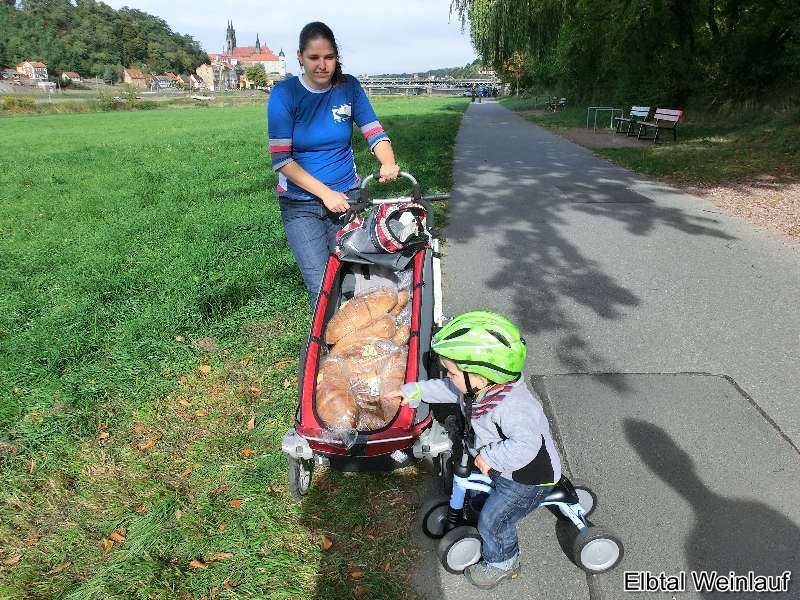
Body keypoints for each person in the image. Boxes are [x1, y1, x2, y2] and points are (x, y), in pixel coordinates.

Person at [392, 311, 562, 590]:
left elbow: (526, 445)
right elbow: (449, 390)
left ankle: (504, 562)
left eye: (452, 372)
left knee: (493, 521)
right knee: (478, 490)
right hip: (500, 463)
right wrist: (414, 392)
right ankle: (477, 507)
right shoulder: (478, 389)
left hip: (526, 477)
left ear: (480, 377)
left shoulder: (515, 407)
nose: (449, 377)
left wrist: (490, 456)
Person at [268, 21, 400, 308]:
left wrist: (388, 161)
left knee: (350, 275)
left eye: (328, 57)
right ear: (300, 57)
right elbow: (282, 160)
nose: (322, 65)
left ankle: (357, 332)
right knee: (321, 286)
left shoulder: (348, 87)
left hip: (346, 199)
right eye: (313, 57)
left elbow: (374, 132)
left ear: (336, 56)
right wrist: (326, 194)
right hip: (300, 204)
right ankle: (327, 336)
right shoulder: (284, 94)